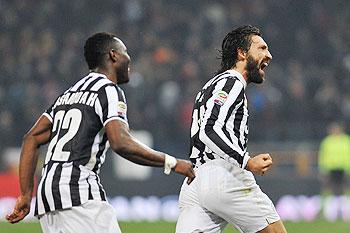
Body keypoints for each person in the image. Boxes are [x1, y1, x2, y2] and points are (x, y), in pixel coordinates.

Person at [6, 32, 195, 233]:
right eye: (125, 52)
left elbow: (31, 137)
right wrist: (172, 162)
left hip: (47, 197)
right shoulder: (108, 91)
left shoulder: (68, 95)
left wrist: (26, 195)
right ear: (113, 55)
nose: (129, 59)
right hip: (78, 191)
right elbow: (121, 142)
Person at [176, 25, 287, 233]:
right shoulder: (232, 82)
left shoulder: (209, 86)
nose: (269, 55)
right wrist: (246, 161)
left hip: (195, 181)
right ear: (242, 53)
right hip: (224, 176)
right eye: (261, 48)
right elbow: (209, 130)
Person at [318, 121, 350, 196]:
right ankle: (324, 206)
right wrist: (322, 169)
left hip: (345, 168)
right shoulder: (327, 141)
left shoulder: (347, 141)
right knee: (326, 188)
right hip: (330, 168)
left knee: (347, 187)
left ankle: (348, 205)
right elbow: (322, 156)